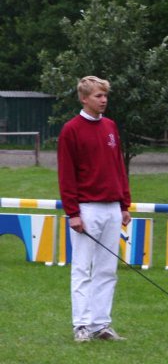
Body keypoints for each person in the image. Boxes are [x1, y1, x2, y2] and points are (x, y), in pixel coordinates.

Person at [57, 75, 132, 342]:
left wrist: (124, 203)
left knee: (107, 268)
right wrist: (73, 212)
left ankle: (102, 324)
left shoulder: (111, 126)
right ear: (84, 98)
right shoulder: (71, 130)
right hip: (86, 210)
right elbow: (66, 174)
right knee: (82, 268)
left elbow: (118, 167)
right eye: (99, 96)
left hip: (113, 208)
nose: (104, 100)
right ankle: (82, 325)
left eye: (105, 95)